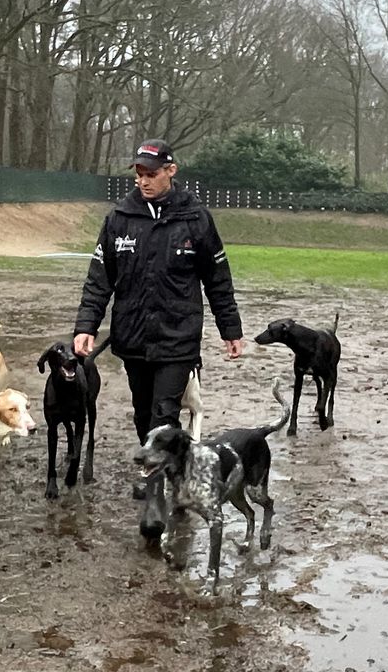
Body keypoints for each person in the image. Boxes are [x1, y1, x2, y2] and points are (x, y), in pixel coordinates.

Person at [72, 139, 244, 527]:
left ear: (171, 170)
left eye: (151, 173)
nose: (144, 180)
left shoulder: (195, 218)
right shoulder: (120, 217)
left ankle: (155, 496)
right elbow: (99, 279)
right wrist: (86, 326)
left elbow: (217, 277)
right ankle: (171, 466)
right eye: (139, 174)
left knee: (165, 412)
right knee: (144, 413)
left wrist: (229, 328)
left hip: (178, 336)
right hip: (132, 336)